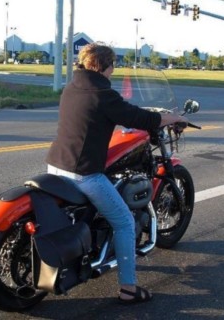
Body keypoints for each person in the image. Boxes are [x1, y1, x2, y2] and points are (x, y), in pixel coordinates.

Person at [46, 43, 188, 304]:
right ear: (106, 66)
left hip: (56, 166)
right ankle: (128, 288)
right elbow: (142, 119)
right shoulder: (103, 94)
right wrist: (172, 117)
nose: (114, 70)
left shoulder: (73, 87)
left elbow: (118, 111)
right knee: (123, 221)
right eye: (113, 65)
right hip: (84, 174)